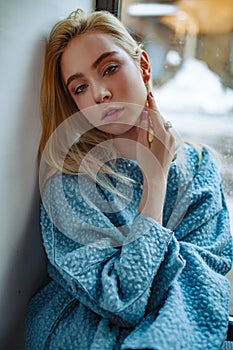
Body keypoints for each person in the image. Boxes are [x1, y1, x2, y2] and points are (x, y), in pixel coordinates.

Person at [25, 8, 233, 350]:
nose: (100, 94)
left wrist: (139, 262)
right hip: (80, 333)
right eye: (80, 88)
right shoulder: (68, 183)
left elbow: (202, 285)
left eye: (109, 69)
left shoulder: (200, 166)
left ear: (144, 65)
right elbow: (122, 299)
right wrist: (155, 181)